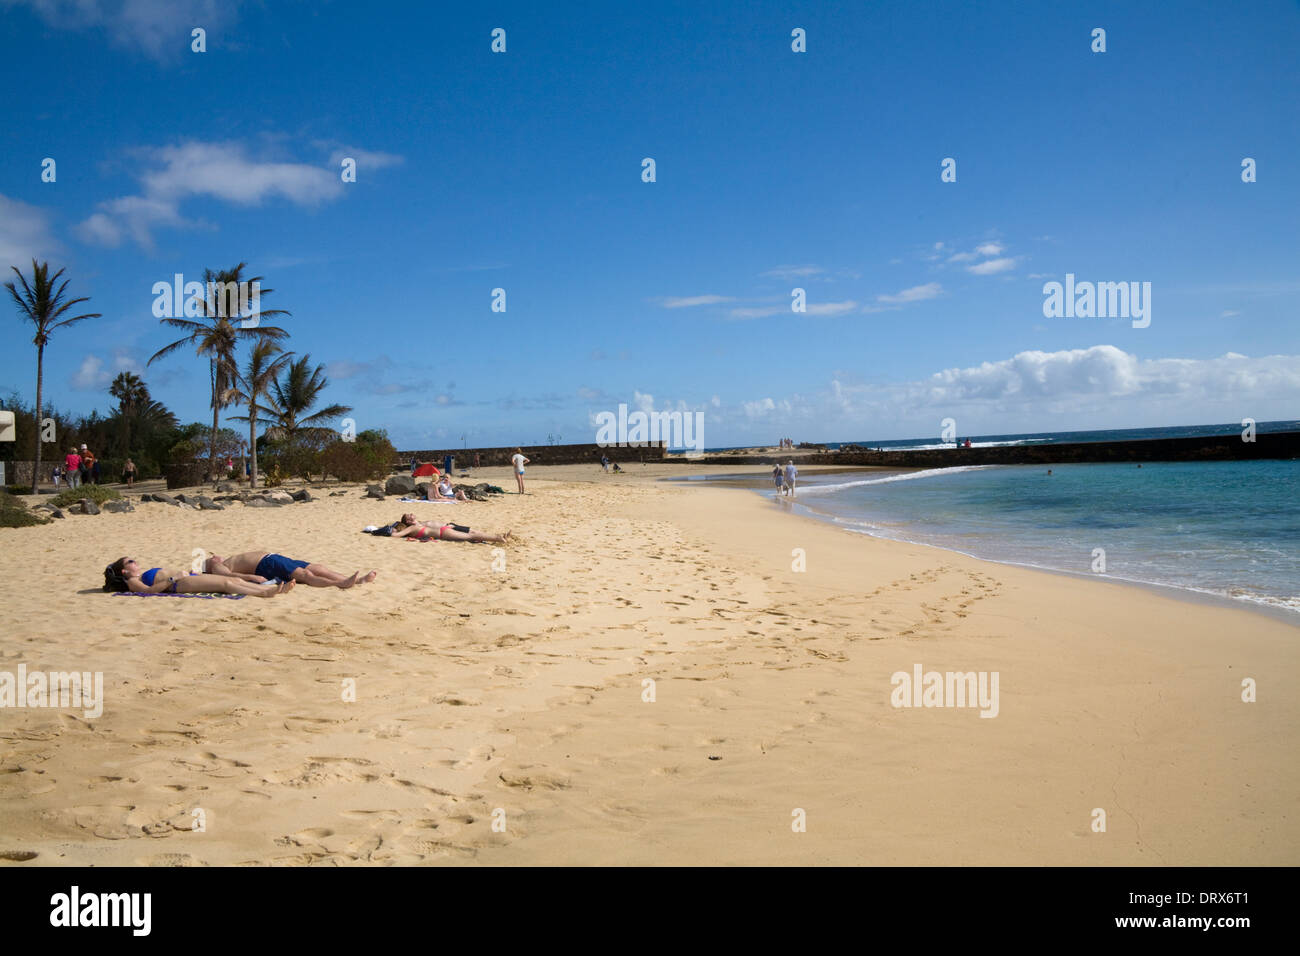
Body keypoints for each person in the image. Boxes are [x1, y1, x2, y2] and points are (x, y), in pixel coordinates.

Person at [103, 557, 291, 597]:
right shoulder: (133, 581)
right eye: (131, 562)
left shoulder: (140, 574)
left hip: (184, 579)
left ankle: (267, 589)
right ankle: (264, 593)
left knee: (234, 581)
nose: (136, 562)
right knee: (226, 583)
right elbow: (148, 592)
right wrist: (173, 579)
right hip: (179, 584)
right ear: (124, 571)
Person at [204, 551, 376, 589]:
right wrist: (251, 576)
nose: (215, 555)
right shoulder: (217, 566)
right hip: (266, 564)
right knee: (306, 575)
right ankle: (340, 583)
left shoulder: (224, 562)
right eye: (212, 556)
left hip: (273, 558)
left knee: (318, 568)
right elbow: (229, 576)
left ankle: (357, 580)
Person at [390, 513, 510, 544]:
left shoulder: (417, 526)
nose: (412, 514)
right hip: (444, 531)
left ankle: (499, 537)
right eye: (409, 515)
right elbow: (395, 535)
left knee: (472, 534)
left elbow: (395, 535)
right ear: (407, 522)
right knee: (471, 536)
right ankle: (498, 538)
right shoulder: (412, 528)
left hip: (444, 531)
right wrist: (393, 530)